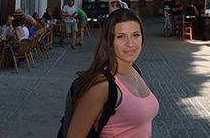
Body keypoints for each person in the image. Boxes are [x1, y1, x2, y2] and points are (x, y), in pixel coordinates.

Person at [67, 8, 159, 137]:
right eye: (121, 37)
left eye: (136, 35)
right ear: (109, 41)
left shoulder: (135, 71)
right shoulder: (102, 86)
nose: (130, 43)